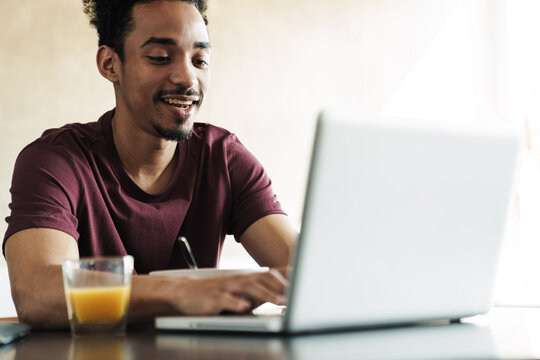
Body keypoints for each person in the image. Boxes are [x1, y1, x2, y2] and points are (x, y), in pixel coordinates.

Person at [2, 0, 298, 329]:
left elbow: (310, 277)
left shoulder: (224, 158)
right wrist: (184, 291)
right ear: (110, 63)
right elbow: (38, 293)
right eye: (160, 57)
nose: (188, 77)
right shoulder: (54, 161)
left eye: (200, 60)